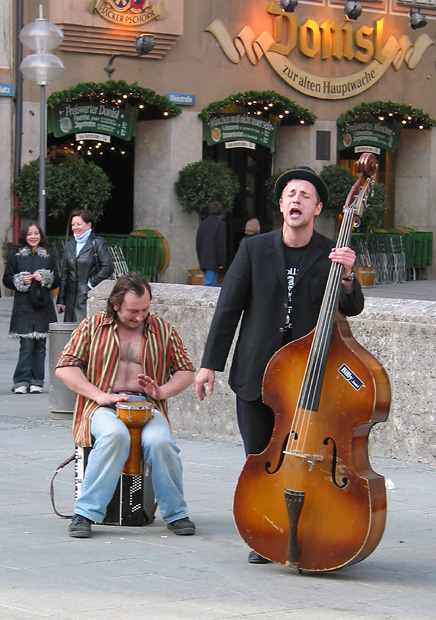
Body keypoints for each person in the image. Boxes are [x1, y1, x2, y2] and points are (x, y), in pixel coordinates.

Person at [194, 166, 364, 563]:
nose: (296, 200)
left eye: (305, 195)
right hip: (256, 374)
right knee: (260, 455)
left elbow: (351, 308)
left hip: (305, 378)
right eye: (290, 194)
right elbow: (228, 310)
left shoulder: (331, 253)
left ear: (318, 207)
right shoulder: (253, 250)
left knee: (305, 455)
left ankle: (303, 527)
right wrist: (208, 366)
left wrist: (349, 276)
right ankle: (265, 533)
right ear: (281, 204)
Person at [55, 272, 196, 539]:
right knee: (114, 436)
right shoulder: (92, 326)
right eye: (133, 310)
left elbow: (186, 371)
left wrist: (161, 390)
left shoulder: (164, 330)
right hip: (102, 405)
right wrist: (98, 395)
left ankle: (177, 514)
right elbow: (65, 367)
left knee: (161, 442)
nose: (140, 316)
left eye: (145, 309)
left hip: (145, 405)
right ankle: (84, 513)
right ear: (116, 304)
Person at [3, 220, 60, 394]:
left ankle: (37, 380)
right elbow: (6, 279)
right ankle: (21, 380)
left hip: (43, 306)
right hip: (24, 306)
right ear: (24, 236)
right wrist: (20, 280)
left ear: (40, 236)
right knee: (26, 344)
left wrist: (45, 277)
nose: (33, 237)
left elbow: (57, 280)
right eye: (29, 234)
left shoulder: (49, 256)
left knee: (40, 345)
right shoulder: (16, 256)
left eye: (36, 233)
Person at [56, 209, 114, 322]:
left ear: (89, 225)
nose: (75, 227)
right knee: (71, 335)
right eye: (73, 225)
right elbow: (65, 274)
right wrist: (60, 300)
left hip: (88, 296)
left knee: (86, 332)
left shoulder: (97, 242)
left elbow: (108, 267)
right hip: (71, 299)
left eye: (78, 224)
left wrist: (90, 283)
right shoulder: (70, 245)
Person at [195, 201, 227, 287]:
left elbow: (198, 242)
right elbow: (221, 244)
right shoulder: (220, 224)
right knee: (209, 285)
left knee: (211, 283)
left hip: (204, 259)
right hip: (214, 260)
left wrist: (200, 259)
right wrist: (221, 262)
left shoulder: (203, 223)